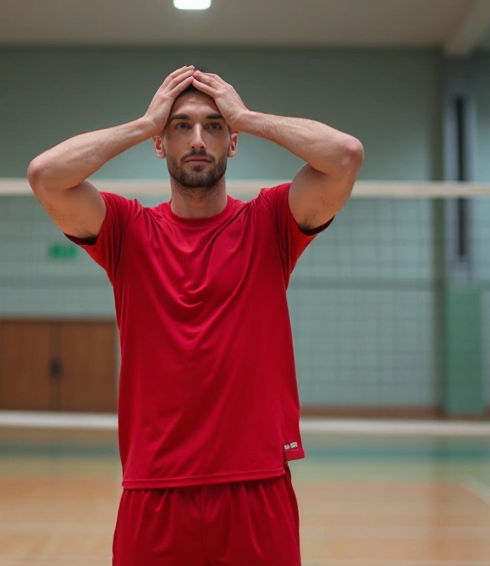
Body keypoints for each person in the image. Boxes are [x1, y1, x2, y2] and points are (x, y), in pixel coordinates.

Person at [27, 67, 363, 565]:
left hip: (257, 488)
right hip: (154, 491)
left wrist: (247, 116)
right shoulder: (127, 230)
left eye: (214, 126)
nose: (198, 139)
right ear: (161, 146)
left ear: (233, 142)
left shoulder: (269, 223)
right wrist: (144, 124)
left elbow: (344, 156)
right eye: (181, 126)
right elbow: (45, 176)